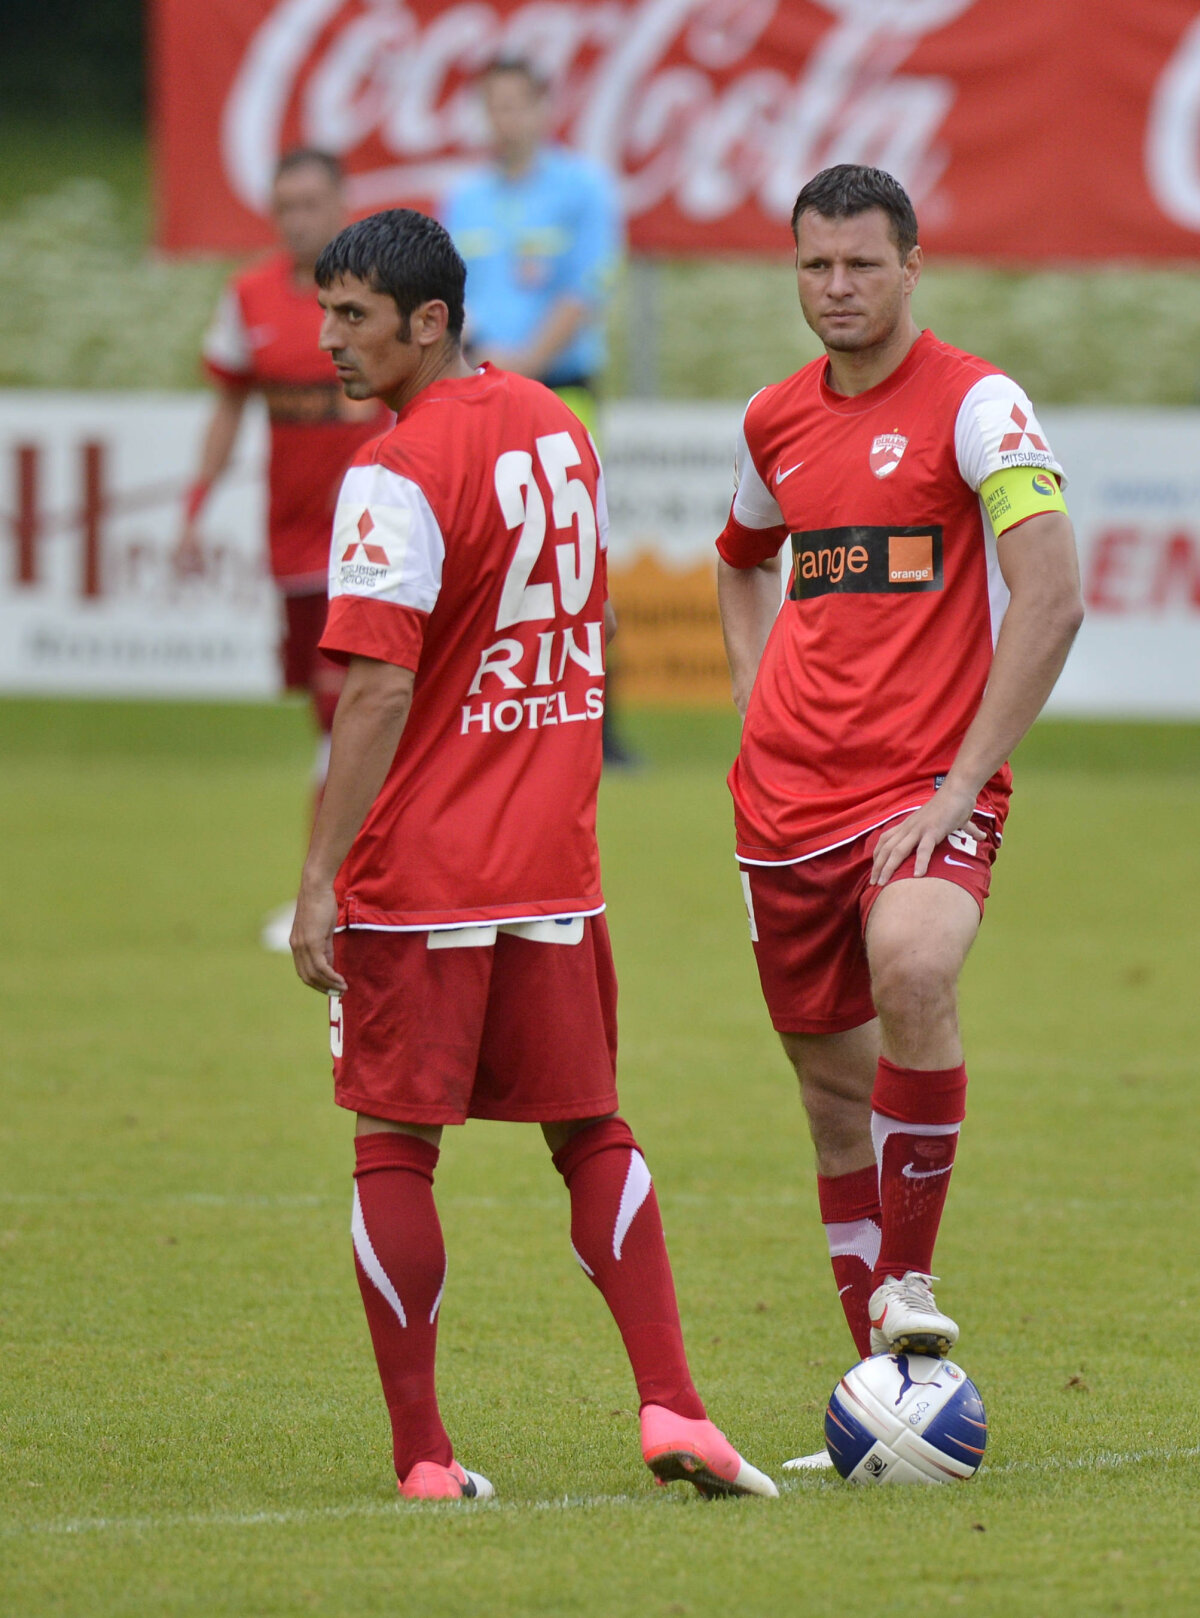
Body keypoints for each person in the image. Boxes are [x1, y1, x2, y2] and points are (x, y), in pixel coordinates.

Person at [288, 207, 775, 1503]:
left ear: (429, 321)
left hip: (422, 872)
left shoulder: (396, 470)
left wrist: (318, 877)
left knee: (395, 1144)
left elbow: (378, 693)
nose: (327, 339)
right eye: (324, 311)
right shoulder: (559, 430)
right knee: (591, 1128)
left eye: (352, 316)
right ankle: (675, 1407)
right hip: (553, 865)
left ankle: (424, 1459)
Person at [715, 165, 1083, 1465]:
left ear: (912, 265)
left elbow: (1053, 593)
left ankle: (909, 1283)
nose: (836, 288)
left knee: (917, 963)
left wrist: (960, 779)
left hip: (924, 789)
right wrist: (757, 702)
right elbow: (741, 560)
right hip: (781, 804)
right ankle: (879, 1394)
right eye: (815, 265)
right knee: (829, 1098)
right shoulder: (773, 422)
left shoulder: (978, 403)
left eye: (861, 264)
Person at [179, 149, 390, 947]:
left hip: (368, 544)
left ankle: (331, 892)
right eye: (285, 204)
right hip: (291, 543)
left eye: (311, 201)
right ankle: (350, 882)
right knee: (327, 720)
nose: (296, 217)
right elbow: (229, 406)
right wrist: (197, 504)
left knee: (349, 711)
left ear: (341, 203)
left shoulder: (376, 295)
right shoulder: (249, 296)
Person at [442, 56, 637, 766]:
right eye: (492, 105)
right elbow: (446, 295)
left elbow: (590, 287)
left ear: (544, 108)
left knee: (573, 549)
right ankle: (488, 711)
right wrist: (484, 358)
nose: (505, 119)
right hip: (477, 383)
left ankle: (599, 726)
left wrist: (520, 363)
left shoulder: (584, 188)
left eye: (516, 104)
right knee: (488, 545)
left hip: (562, 384)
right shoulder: (462, 196)